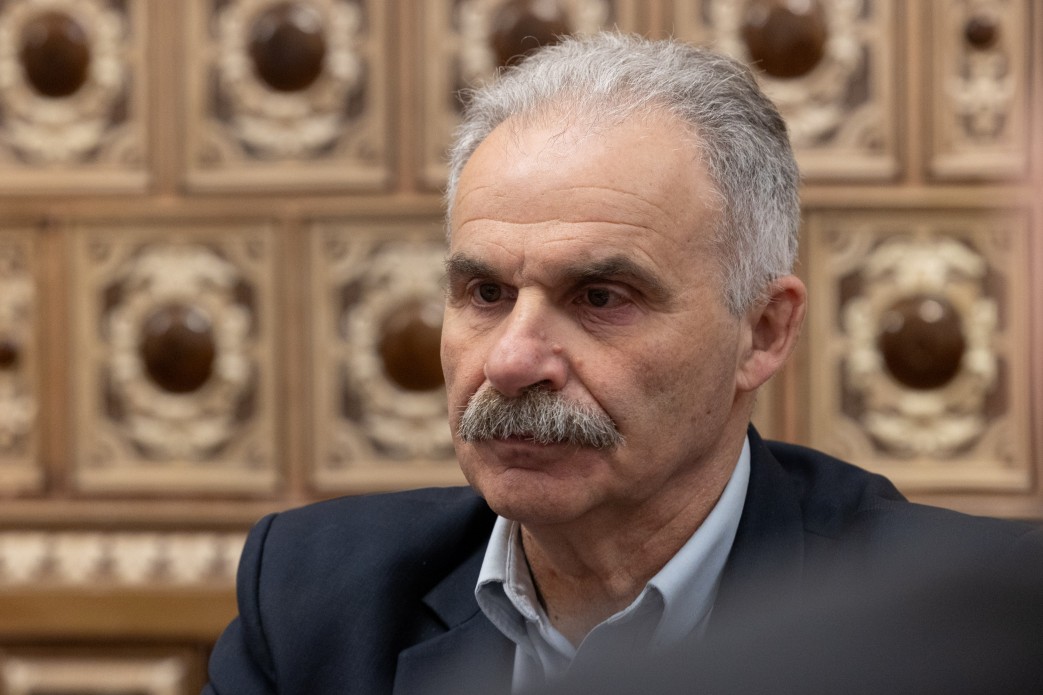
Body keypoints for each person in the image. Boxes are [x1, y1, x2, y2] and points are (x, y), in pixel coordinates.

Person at [202, 33, 1042, 694]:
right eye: (485, 292)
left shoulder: (973, 628)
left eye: (601, 297)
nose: (512, 359)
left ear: (761, 331)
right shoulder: (314, 596)